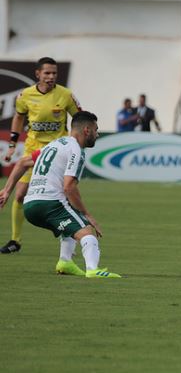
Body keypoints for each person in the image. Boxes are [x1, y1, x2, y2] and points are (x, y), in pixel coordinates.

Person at [0, 111, 121, 278]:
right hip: (50, 203)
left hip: (30, 206)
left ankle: (65, 263)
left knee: (70, 222)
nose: (97, 134)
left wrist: (7, 190)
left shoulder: (54, 144)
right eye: (96, 129)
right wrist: (88, 215)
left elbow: (22, 162)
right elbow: (69, 187)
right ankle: (93, 269)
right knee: (85, 229)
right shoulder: (76, 150)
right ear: (86, 130)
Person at [1, 57, 82, 254]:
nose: (51, 76)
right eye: (47, 73)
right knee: (19, 195)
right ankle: (15, 240)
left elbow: (80, 118)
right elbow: (19, 117)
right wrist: (12, 145)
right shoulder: (25, 96)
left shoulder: (65, 95)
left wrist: (74, 142)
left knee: (63, 196)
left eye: (54, 73)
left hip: (57, 152)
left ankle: (69, 241)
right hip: (33, 150)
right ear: (38, 74)